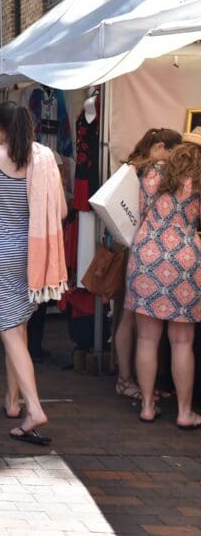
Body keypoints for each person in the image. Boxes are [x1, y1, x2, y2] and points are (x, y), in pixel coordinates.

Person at [0, 101, 65, 445]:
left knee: (10, 332)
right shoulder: (43, 159)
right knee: (19, 329)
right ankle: (12, 402)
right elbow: (62, 208)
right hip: (33, 254)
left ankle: (34, 407)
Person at [125, 129, 201, 430]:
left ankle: (146, 405)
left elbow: (141, 209)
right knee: (182, 342)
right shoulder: (199, 178)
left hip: (147, 255)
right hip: (185, 258)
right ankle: (184, 412)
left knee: (146, 338)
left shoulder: (153, 170)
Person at [113, 128, 182, 403]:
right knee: (135, 321)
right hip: (143, 249)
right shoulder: (145, 171)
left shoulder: (133, 168)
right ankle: (127, 380)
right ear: (162, 146)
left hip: (136, 248)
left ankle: (132, 380)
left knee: (132, 318)